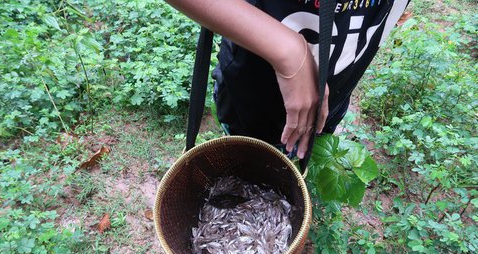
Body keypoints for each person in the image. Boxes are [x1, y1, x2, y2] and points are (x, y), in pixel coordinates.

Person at [165, 0, 410, 159]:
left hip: (334, 93)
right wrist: (289, 51)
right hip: (250, 97)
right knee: (247, 152)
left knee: (305, 148)